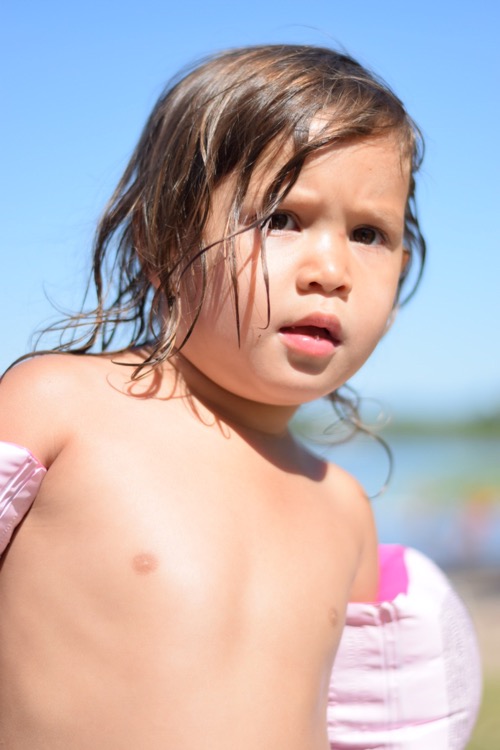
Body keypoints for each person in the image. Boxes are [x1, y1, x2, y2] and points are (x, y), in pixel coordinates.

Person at [0, 44, 470, 749]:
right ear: (162, 242)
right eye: (282, 219)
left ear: (400, 277)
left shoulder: (344, 508)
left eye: (369, 234)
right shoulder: (60, 409)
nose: (332, 269)